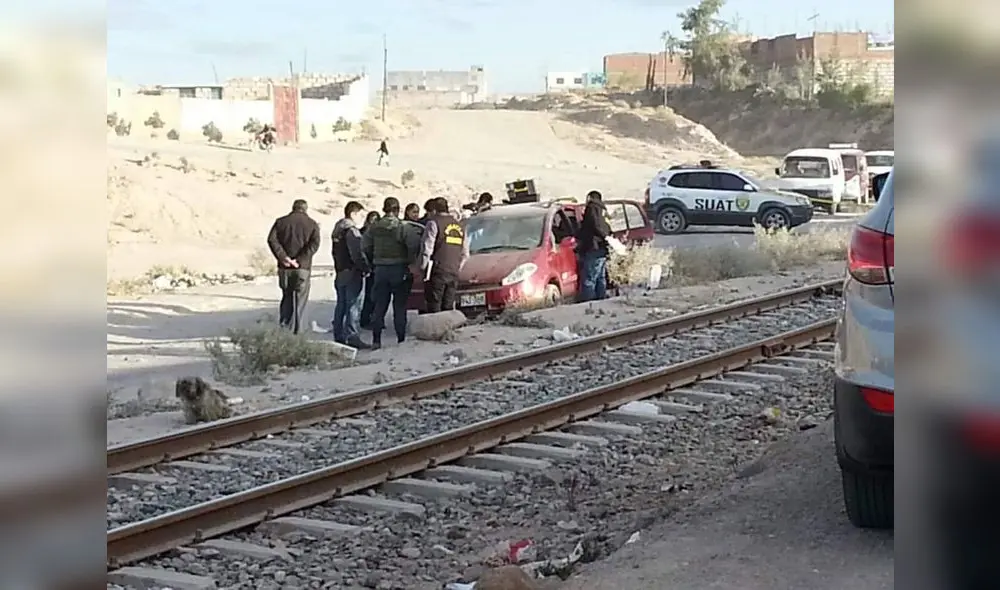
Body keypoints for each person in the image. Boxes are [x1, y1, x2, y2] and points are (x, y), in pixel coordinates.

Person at [362, 197, 422, 349]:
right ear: (397, 210)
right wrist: (410, 262)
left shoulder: (374, 227)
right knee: (399, 307)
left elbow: (365, 245)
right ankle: (400, 340)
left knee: (379, 306)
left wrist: (373, 261)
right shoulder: (402, 227)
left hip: (380, 270)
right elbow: (413, 246)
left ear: (384, 209)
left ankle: (376, 341)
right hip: (399, 269)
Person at [266, 199, 321, 334]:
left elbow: (272, 240)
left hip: (285, 268)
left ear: (293, 208)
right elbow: (314, 244)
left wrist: (284, 257)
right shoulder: (312, 224)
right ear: (305, 209)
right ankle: (298, 331)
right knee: (300, 300)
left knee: (287, 297)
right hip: (302, 268)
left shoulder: (281, 222)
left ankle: (285, 329)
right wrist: (299, 260)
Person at [331, 201, 372, 349]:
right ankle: (352, 336)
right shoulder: (351, 231)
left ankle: (339, 335)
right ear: (353, 213)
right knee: (354, 305)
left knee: (341, 305)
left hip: (340, 271)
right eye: (360, 214)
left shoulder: (338, 229)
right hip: (352, 272)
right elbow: (357, 254)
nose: (362, 218)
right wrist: (365, 268)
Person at [420, 197, 470, 313]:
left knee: (435, 307)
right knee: (448, 307)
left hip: (438, 271)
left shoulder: (434, 223)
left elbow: (427, 249)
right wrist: (457, 267)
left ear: (434, 210)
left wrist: (423, 268)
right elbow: (466, 253)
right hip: (453, 271)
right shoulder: (460, 226)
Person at [575, 190, 612, 302]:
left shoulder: (592, 208)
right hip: (602, 247)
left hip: (593, 247)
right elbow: (607, 227)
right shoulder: (603, 210)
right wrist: (607, 238)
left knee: (589, 278)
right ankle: (601, 299)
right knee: (600, 277)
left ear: (590, 197)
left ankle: (589, 302)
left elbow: (594, 225)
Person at [359, 210, 381, 329]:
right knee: (369, 295)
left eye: (376, 220)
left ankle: (373, 318)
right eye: (372, 219)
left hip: (377, 266)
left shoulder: (379, 233)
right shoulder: (363, 232)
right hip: (369, 266)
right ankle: (365, 319)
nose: (373, 222)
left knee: (376, 295)